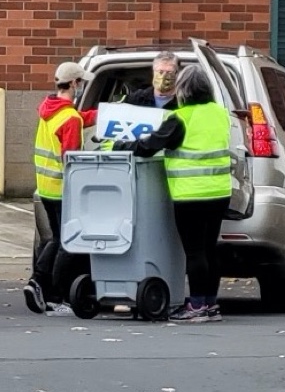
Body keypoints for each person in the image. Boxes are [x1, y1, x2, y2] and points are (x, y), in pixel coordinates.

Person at [113, 66, 231, 323]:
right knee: (210, 249)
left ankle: (197, 306)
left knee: (194, 251)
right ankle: (211, 305)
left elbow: (148, 146)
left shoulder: (179, 119)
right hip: (220, 191)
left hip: (191, 195)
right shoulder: (220, 114)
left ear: (184, 90)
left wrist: (121, 145)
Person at [24, 61, 97, 316]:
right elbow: (71, 160)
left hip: (45, 188)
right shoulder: (70, 119)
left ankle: (36, 282)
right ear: (75, 84)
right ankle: (56, 294)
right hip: (63, 189)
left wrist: (106, 113)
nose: (82, 87)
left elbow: (78, 118)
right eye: (82, 83)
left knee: (55, 238)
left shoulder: (49, 109)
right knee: (68, 242)